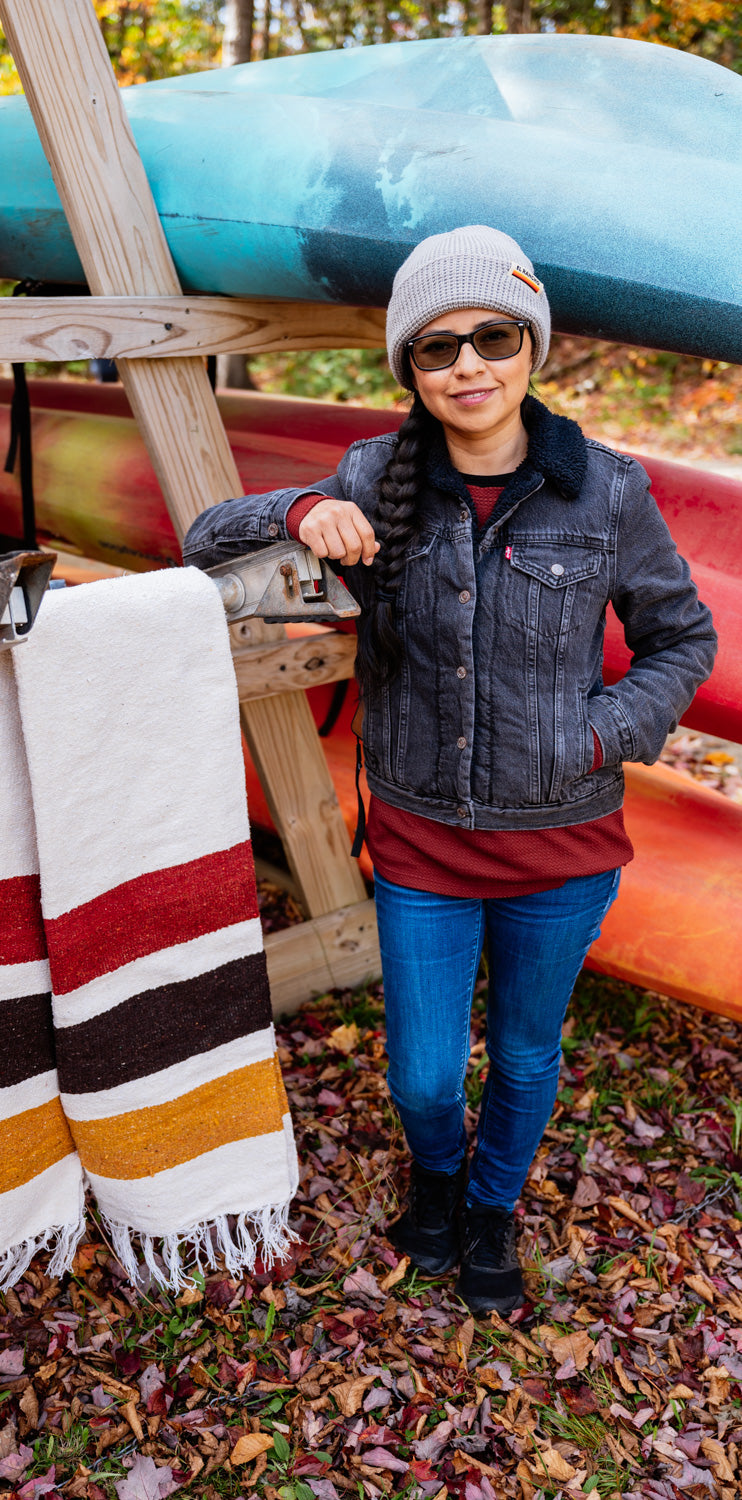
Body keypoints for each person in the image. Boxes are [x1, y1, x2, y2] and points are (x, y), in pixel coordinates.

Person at [182, 226, 717, 1315]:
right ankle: (433, 1179)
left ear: (530, 348)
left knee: (523, 1058)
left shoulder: (604, 492)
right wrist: (295, 511)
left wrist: (599, 732)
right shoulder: (375, 477)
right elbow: (204, 538)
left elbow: (682, 641)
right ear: (407, 368)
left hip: (562, 845)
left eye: (491, 337)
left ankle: (489, 1208)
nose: (466, 365)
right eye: (435, 348)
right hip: (420, 841)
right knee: (424, 1075)